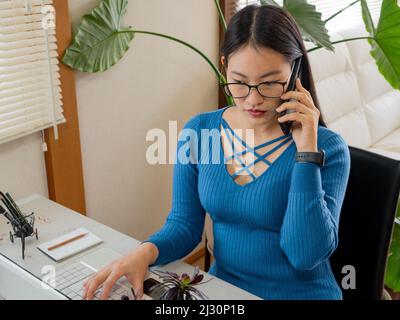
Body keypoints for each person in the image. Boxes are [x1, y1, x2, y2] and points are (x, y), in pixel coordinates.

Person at [83, 4, 351, 300]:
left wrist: (306, 154)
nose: (252, 100)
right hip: (225, 292)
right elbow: (184, 226)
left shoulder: (328, 148)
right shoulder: (199, 133)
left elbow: (304, 255)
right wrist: (142, 253)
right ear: (224, 66)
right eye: (239, 82)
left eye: (270, 83)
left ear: (295, 70)